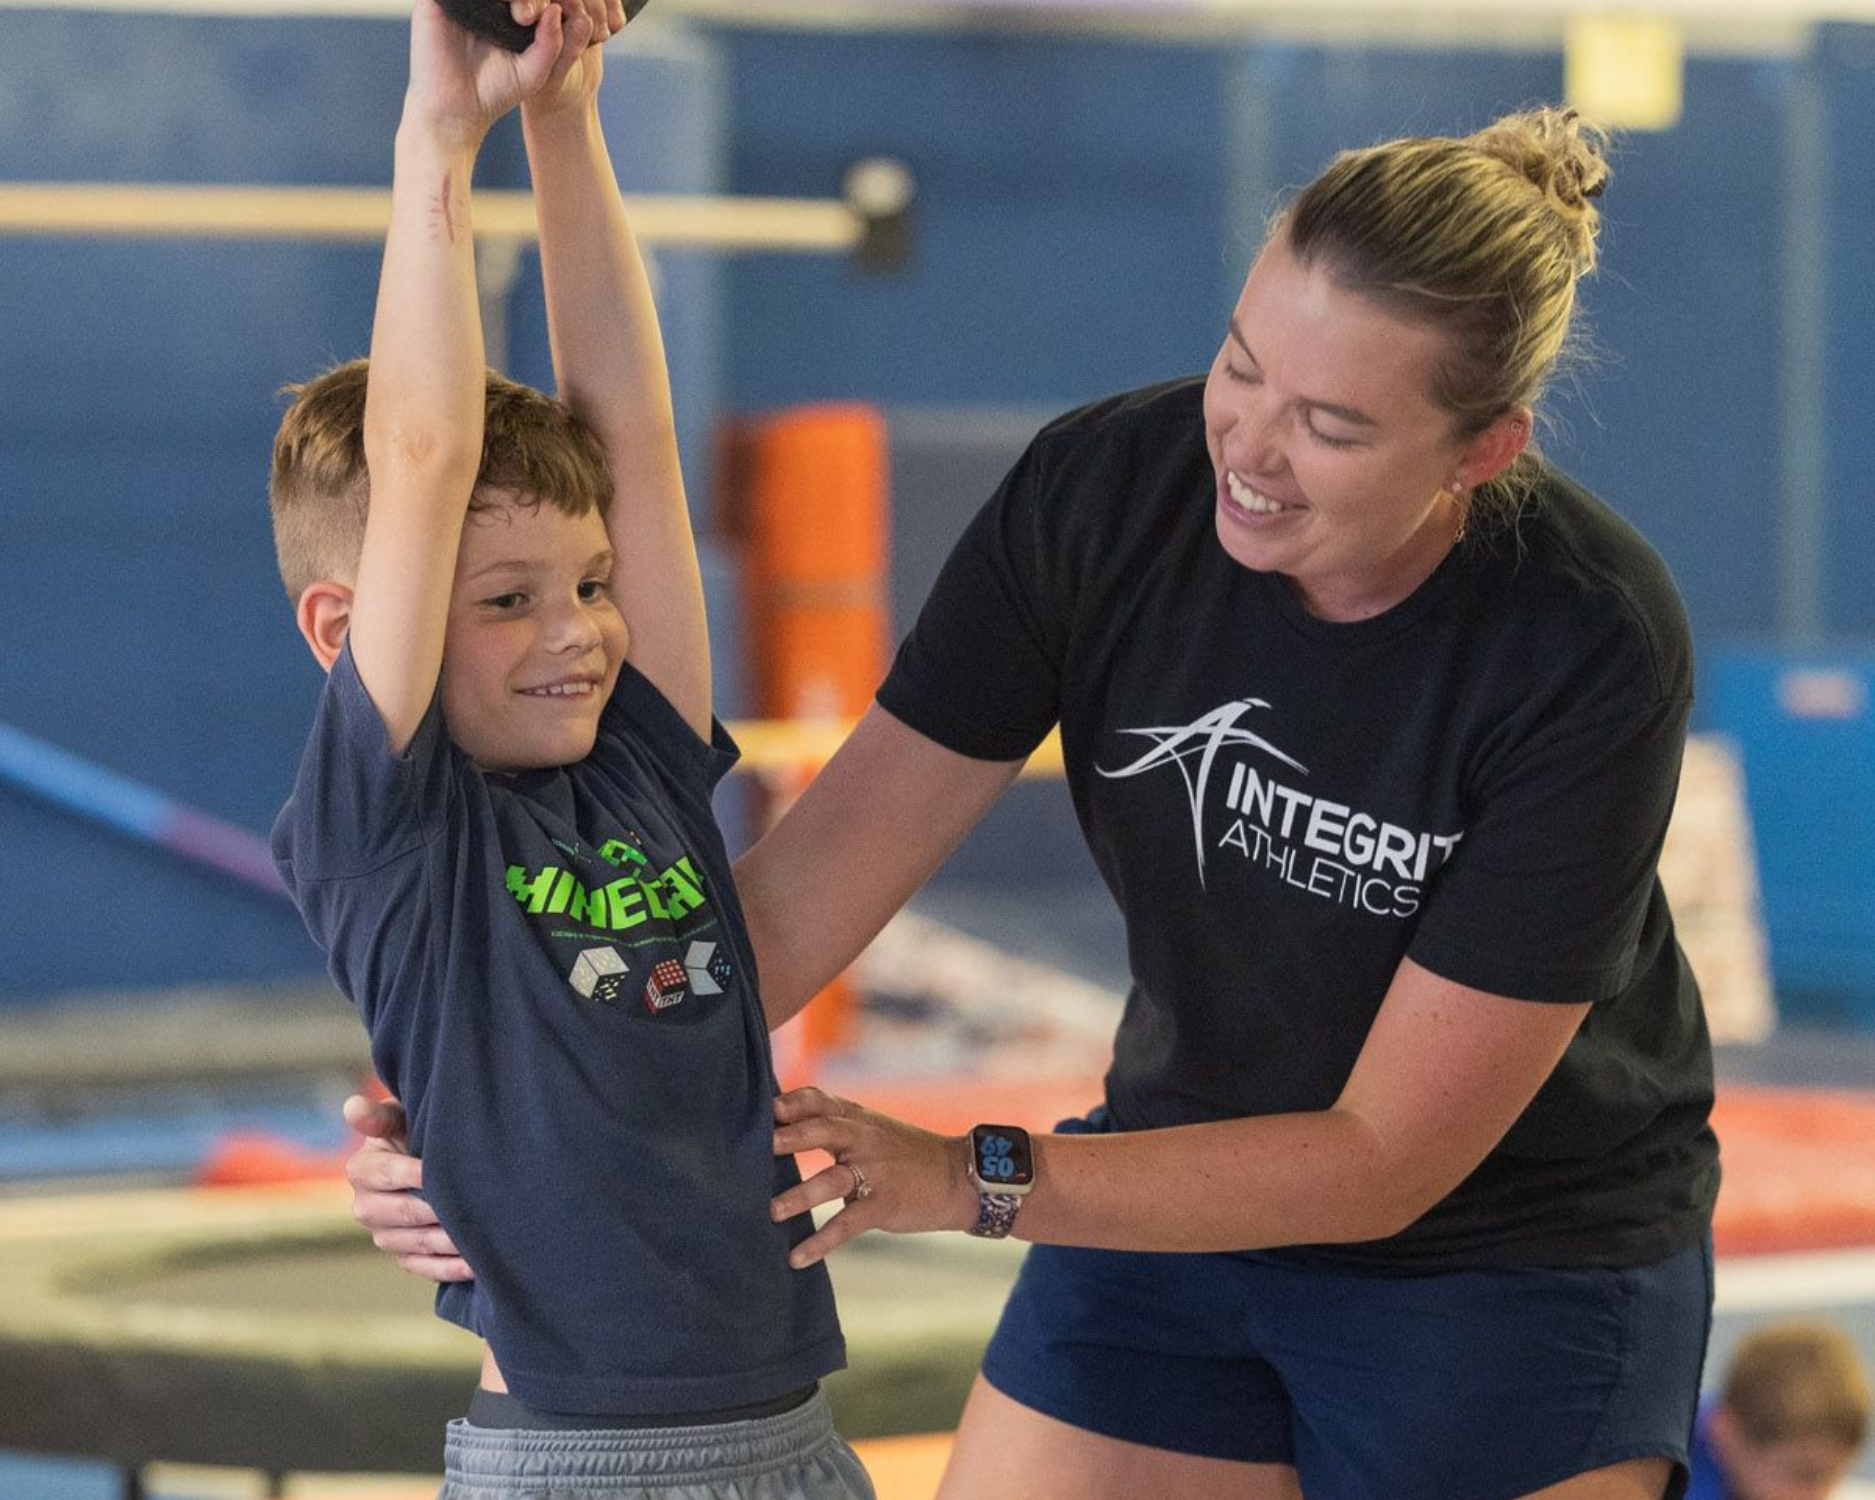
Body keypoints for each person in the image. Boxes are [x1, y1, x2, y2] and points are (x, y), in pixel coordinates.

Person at [348, 106, 1720, 1500]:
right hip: (1179, 1185)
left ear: (1478, 452)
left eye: (1330, 426)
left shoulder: (1577, 639)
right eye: (1238, 368)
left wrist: (965, 1179)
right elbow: (791, 908)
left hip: (1502, 1250)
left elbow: (1381, 1160)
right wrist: (489, 1094)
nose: (1247, 446)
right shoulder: (1105, 497)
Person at [268, 3, 870, 1495]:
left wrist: (564, 110)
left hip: (794, 1438)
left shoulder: (641, 767)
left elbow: (636, 431)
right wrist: (439, 132)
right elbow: (419, 461)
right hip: (575, 1463)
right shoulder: (396, 837)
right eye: (508, 601)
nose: (577, 633)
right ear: (348, 630)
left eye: (591, 586)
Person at [1688, 1321, 1872, 1500]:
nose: (1820, 1495)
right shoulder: (1668, 1479)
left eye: (1834, 1475)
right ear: (1726, 1437)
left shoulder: (1738, 1415)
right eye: (1803, 1475)